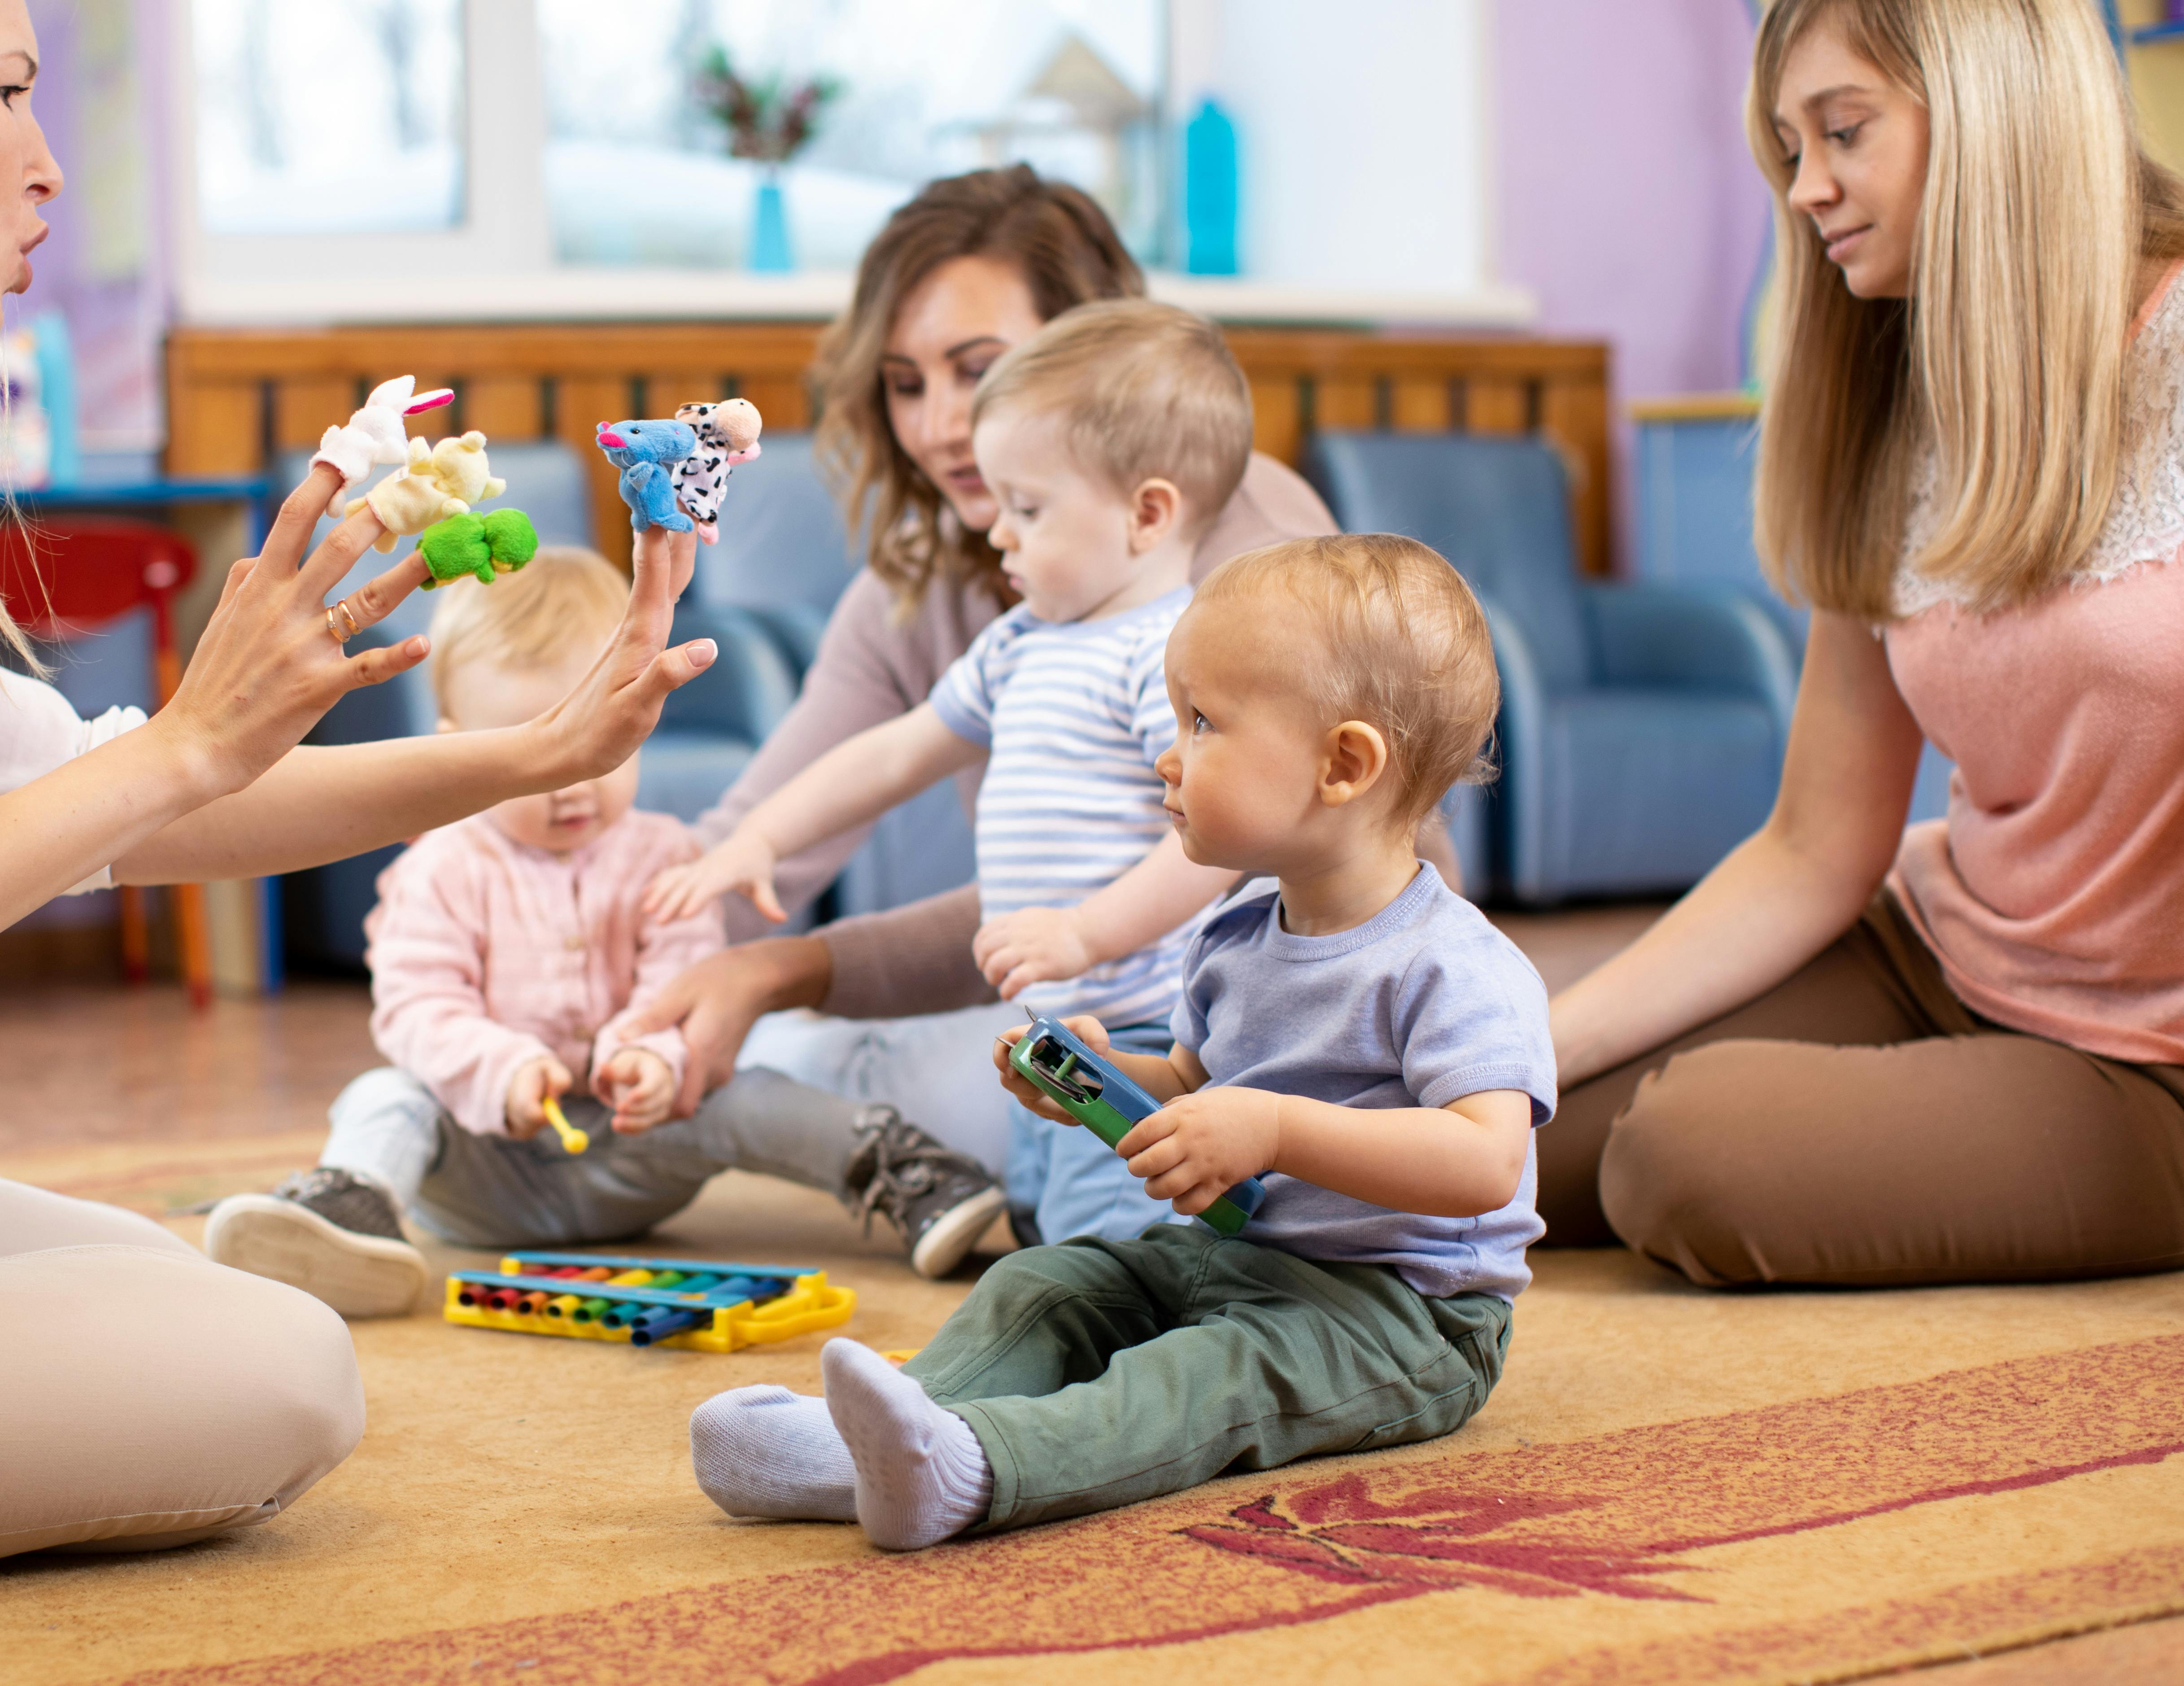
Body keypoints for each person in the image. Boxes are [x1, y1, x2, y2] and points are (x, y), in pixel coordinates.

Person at [0, 0, 712, 1601]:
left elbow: (107, 797)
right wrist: (187, 742)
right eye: (9, 90)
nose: (49, 165)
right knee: (277, 1368)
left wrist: (525, 756)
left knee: (141, 1275)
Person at [687, 535, 1552, 1548]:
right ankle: (865, 1443)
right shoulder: (1234, 934)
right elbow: (1191, 1083)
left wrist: (1272, 1128)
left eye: (1203, 722)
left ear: (1342, 764)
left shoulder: (1452, 964)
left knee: (1197, 1376)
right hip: (1239, 1257)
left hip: (1403, 1314)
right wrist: (1097, 1082)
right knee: (1044, 1284)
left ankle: (976, 1468)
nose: (1167, 752)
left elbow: (1483, 1161)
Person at [631, 166, 1458, 1169]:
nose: (939, 424)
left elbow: (1350, 860)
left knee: (854, 1077)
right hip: (1073, 1003)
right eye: (903, 382)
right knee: (784, 1054)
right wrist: (590, 957)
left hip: (1260, 1036)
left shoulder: (1252, 553)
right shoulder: (938, 582)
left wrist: (797, 969)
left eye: (976, 370)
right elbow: (779, 818)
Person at [1540, 0, 2184, 1285]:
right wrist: (1516, 1046)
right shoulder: (1897, 386)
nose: (1803, 190)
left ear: (1997, 110)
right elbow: (1812, 842)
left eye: (1841, 132)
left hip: (2147, 1068)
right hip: (1942, 946)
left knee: (1684, 1149)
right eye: (1786, 147)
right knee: (1485, 1136)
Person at [203, 551, 1003, 1311]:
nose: (571, 784)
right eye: (536, 750)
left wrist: (648, 1056)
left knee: (748, 1085)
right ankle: (352, 1208)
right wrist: (504, 1068)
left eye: (599, 746)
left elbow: (681, 982)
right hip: (486, 1173)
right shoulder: (439, 866)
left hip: (638, 1149)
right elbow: (416, 1009)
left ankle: (903, 1169)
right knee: (382, 1094)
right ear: (455, 749)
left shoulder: (667, 856)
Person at [655, 299, 1259, 1246]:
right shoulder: (1021, 642)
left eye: (1026, 508)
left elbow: (1216, 844)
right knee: (1049, 1223)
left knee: (1126, 1251)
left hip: (1146, 1034)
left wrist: (1083, 930)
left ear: (1147, 513)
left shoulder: (1174, 655)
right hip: (1048, 1029)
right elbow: (895, 751)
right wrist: (760, 836)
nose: (998, 534)